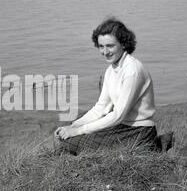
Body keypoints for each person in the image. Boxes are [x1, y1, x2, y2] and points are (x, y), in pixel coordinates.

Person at [54, 17, 159, 155]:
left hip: (139, 131)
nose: (105, 52)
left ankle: (151, 146)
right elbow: (101, 108)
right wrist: (74, 125)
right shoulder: (111, 70)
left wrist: (78, 131)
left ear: (123, 44)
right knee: (66, 139)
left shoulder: (132, 70)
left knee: (70, 143)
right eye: (101, 46)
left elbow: (118, 115)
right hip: (122, 127)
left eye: (110, 46)